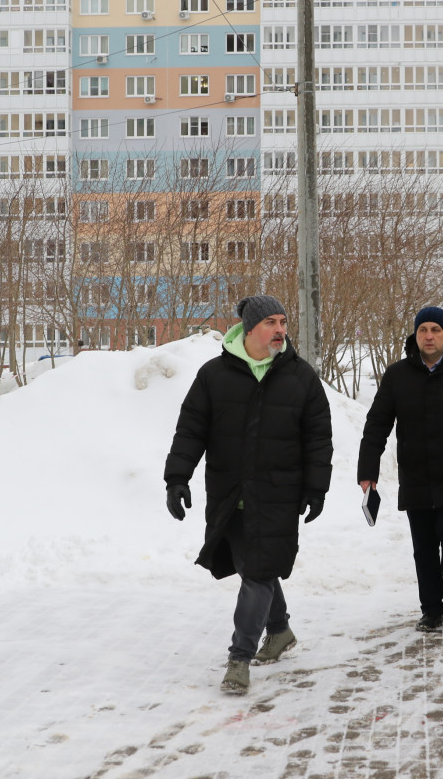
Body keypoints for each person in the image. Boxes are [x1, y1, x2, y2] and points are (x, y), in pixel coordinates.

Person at [164, 295, 333, 695]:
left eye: (284, 321)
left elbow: (318, 438)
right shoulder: (214, 375)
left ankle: (239, 658)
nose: (280, 330)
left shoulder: (300, 377)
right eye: (272, 322)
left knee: (257, 573)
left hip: (278, 494)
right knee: (255, 566)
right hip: (229, 494)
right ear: (250, 328)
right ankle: (279, 630)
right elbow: (191, 430)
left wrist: (316, 488)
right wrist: (176, 478)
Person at [358, 307, 443, 633]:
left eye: (436, 329)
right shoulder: (398, 375)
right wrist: (368, 469)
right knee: (423, 545)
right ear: (416, 334)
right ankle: (431, 609)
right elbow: (377, 424)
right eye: (424, 330)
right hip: (416, 475)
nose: (429, 335)